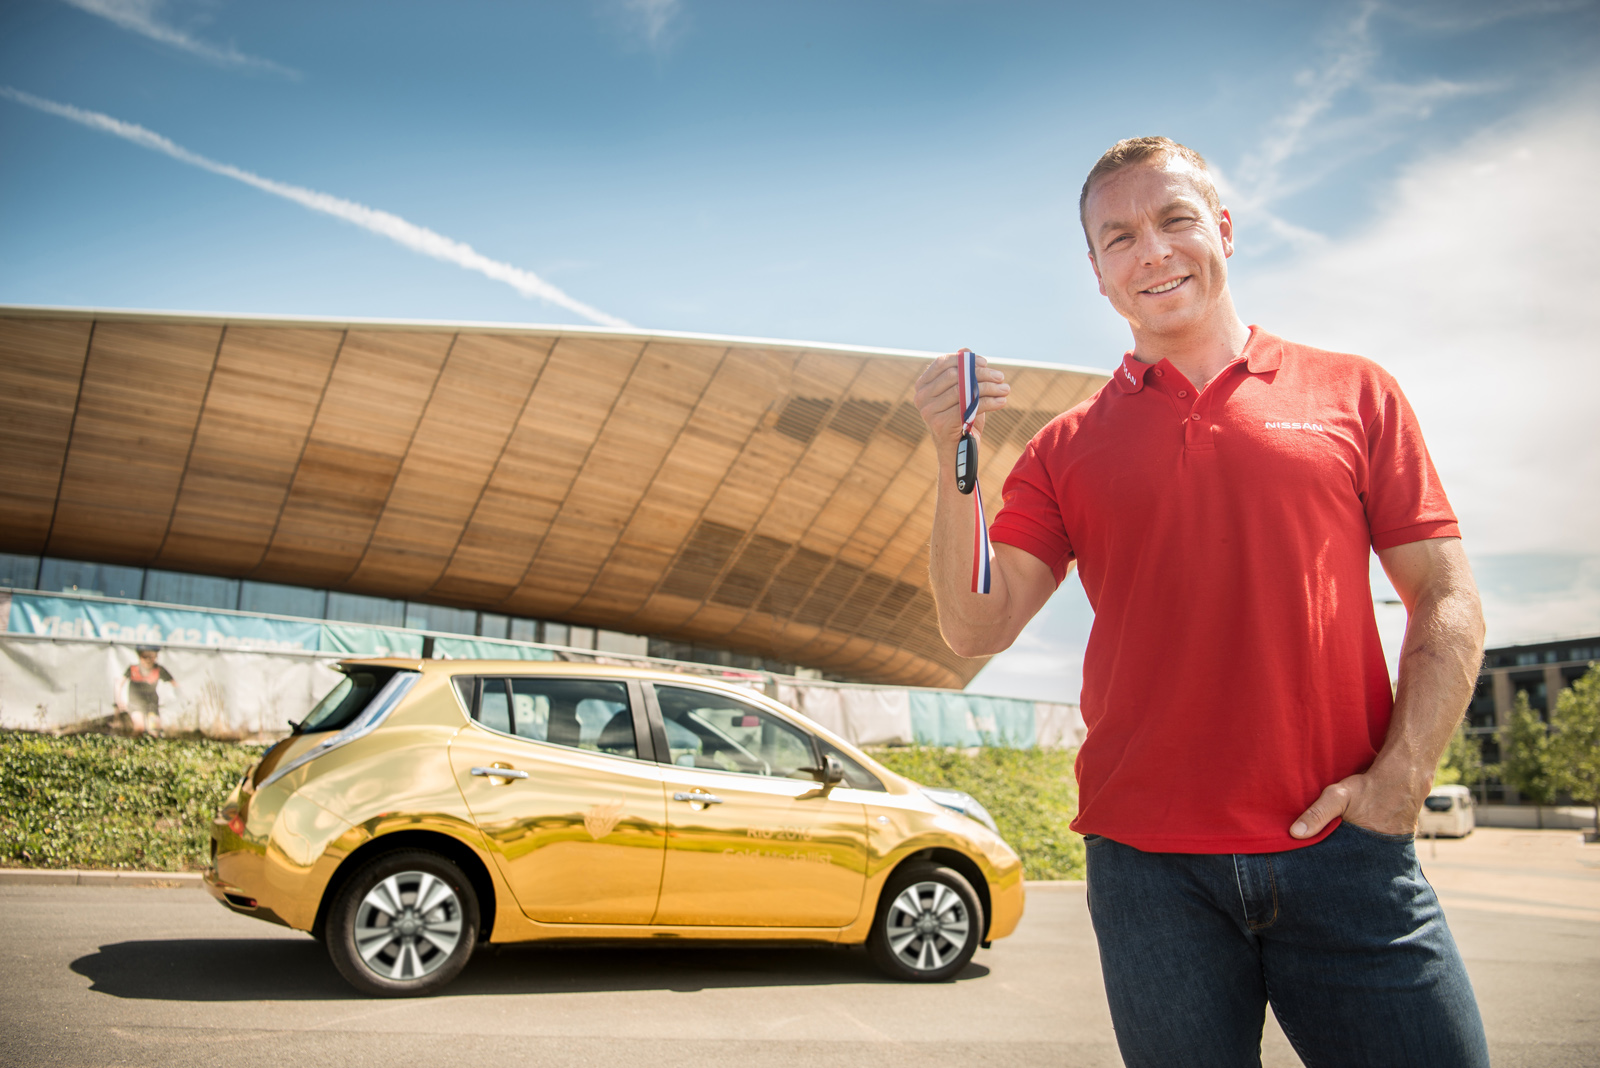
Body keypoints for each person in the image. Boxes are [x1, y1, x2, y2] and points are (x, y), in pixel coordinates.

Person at [913, 137, 1490, 1067]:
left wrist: (1401, 781)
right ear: (1097, 272)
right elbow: (976, 625)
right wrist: (954, 454)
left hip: (1345, 849)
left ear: (1222, 228)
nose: (1152, 252)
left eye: (1174, 220)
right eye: (1119, 237)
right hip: (1150, 873)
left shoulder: (1355, 392)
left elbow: (1447, 595)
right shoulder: (1065, 448)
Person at [115, 645, 176, 737]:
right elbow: (119, 684)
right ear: (140, 656)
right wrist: (119, 701)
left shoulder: (159, 669)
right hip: (136, 705)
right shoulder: (133, 669)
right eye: (145, 657)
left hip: (152, 706)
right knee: (139, 728)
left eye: (151, 657)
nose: (148, 660)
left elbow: (175, 684)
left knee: (154, 731)